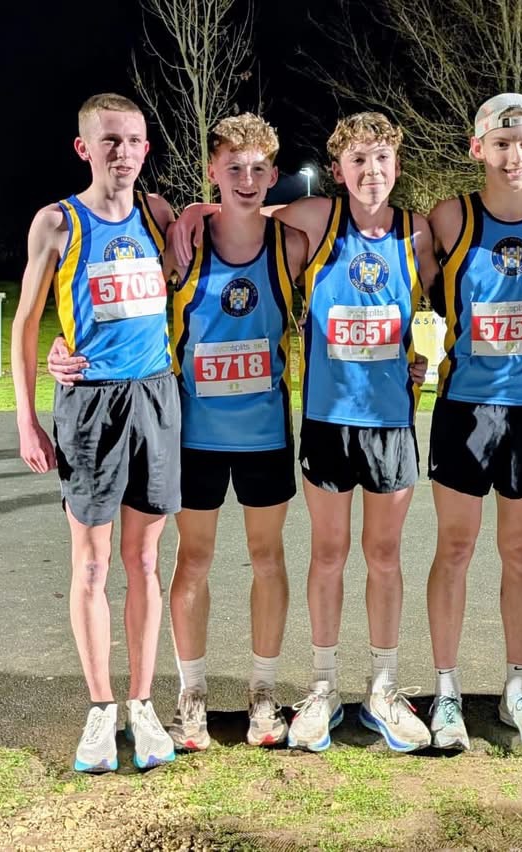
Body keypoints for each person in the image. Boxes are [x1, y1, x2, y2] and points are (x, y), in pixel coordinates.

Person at [172, 112, 436, 752]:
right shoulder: (315, 220)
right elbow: (248, 211)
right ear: (337, 171)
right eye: (358, 161)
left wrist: (425, 356)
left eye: (382, 159)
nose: (371, 172)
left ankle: (383, 687)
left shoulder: (419, 233)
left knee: (384, 556)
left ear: (397, 165)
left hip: (390, 422)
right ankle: (321, 687)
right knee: (327, 554)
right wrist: (195, 210)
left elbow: (443, 301)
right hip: (324, 422)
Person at [12, 93, 178, 773]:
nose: (123, 152)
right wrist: (26, 417)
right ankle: (101, 708)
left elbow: (235, 217)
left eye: (134, 140)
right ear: (84, 148)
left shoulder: (160, 215)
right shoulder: (58, 222)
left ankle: (143, 703)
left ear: (146, 147)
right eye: (110, 140)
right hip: (90, 406)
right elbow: (26, 323)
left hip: (155, 398)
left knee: (146, 562)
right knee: (91, 564)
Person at [424, 93, 522, 751]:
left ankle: (517, 688)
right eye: (502, 143)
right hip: (464, 409)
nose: (515, 156)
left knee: (520, 553)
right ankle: (446, 690)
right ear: (477, 148)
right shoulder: (450, 217)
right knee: (454, 549)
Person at [163, 114, 307, 751]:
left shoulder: (291, 244)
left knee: (267, 559)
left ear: (273, 176)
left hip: (264, 434)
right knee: (192, 559)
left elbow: (351, 219)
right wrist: (193, 212)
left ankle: (263, 694)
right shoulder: (184, 244)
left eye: (258, 169)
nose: (246, 180)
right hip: (195, 434)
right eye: (233, 168)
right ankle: (191, 695)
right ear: (213, 172)